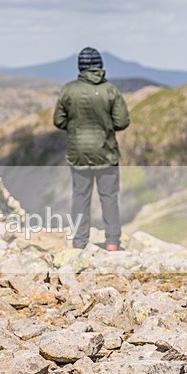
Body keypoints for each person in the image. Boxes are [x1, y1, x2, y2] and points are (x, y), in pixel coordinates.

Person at [53, 47, 130, 250]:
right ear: (100, 66)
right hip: (106, 152)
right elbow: (122, 122)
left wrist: (76, 125)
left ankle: (79, 242)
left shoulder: (68, 90)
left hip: (78, 154)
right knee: (109, 197)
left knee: (80, 197)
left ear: (80, 66)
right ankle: (113, 242)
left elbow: (58, 121)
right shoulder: (110, 90)